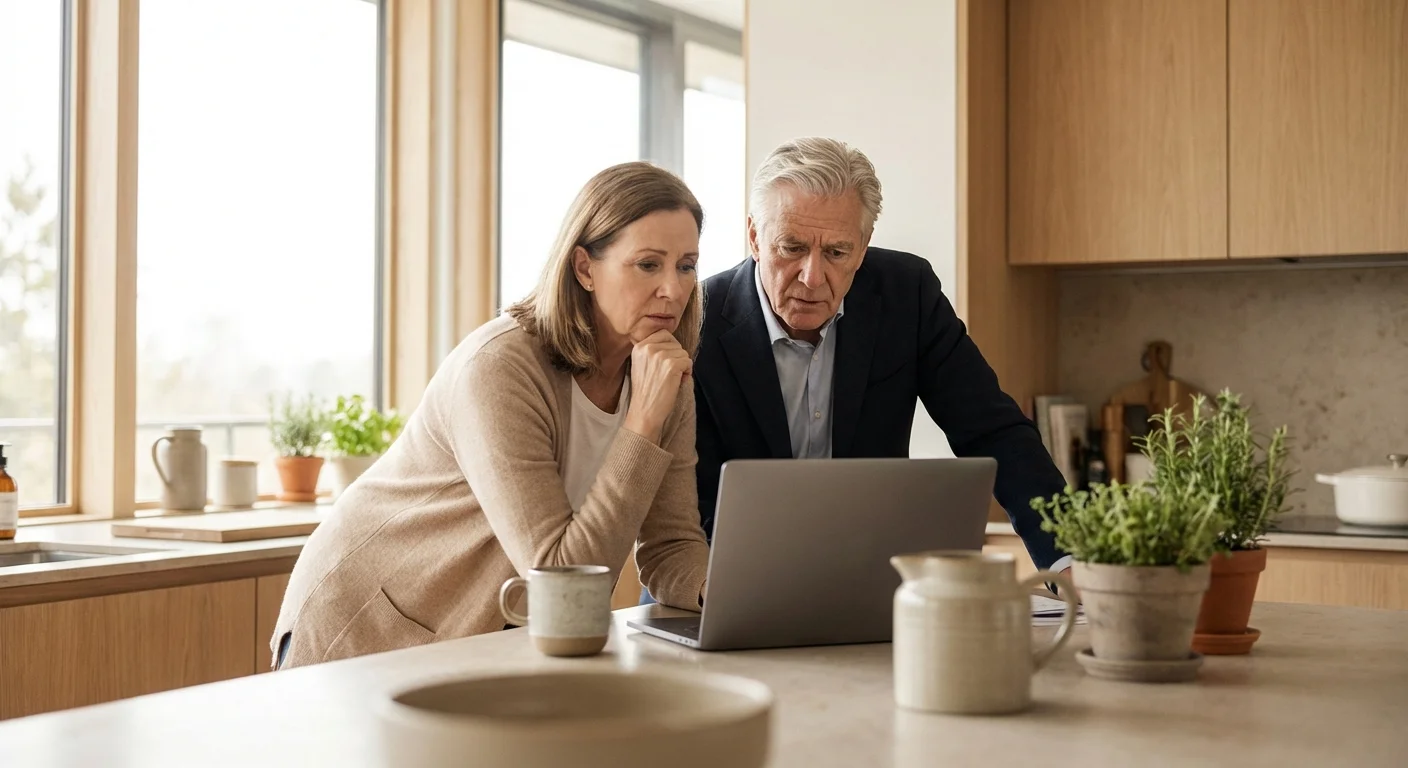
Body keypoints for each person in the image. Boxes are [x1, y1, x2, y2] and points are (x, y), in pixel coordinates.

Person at [272, 162, 711, 669]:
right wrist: (641, 426)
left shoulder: (663, 375)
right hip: (368, 631)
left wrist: (726, 592)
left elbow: (672, 545)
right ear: (585, 269)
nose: (674, 291)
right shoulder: (499, 368)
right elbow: (559, 581)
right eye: (648, 264)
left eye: (687, 265)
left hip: (481, 645)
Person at [692, 137, 1070, 575]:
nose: (813, 277)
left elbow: (994, 430)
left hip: (862, 578)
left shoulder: (906, 295)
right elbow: (686, 501)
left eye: (837, 252)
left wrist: (1067, 559)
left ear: (864, 245)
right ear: (755, 237)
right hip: (722, 580)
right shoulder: (697, 322)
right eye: (792, 247)